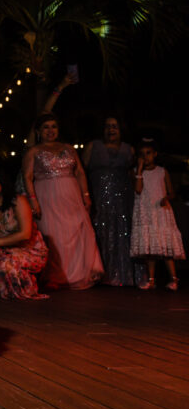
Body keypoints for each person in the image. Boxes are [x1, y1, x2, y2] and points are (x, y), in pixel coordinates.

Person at [23, 113, 103, 290]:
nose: (50, 131)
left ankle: (78, 273)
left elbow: (80, 172)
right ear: (38, 131)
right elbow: (27, 177)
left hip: (71, 195)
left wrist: (86, 195)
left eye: (54, 126)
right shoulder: (33, 151)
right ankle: (55, 276)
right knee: (53, 235)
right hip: (47, 196)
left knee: (75, 231)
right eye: (46, 127)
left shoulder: (68, 148)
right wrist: (33, 201)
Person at [0, 165, 49, 300]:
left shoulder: (18, 201)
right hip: (4, 249)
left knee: (6, 260)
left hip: (29, 250)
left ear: (2, 181)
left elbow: (25, 234)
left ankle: (16, 286)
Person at [83, 117, 138, 286]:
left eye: (114, 126)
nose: (111, 129)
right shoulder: (93, 146)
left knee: (122, 232)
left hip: (122, 198)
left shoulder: (129, 149)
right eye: (107, 126)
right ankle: (99, 273)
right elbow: (81, 170)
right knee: (100, 231)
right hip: (98, 195)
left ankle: (121, 273)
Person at [131, 139, 184, 290]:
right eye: (142, 154)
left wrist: (166, 198)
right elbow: (138, 190)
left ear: (154, 154)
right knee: (150, 250)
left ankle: (174, 279)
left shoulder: (162, 171)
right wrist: (139, 171)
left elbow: (171, 192)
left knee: (165, 248)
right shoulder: (136, 172)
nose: (145, 157)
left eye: (148, 153)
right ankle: (151, 280)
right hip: (146, 211)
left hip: (160, 212)